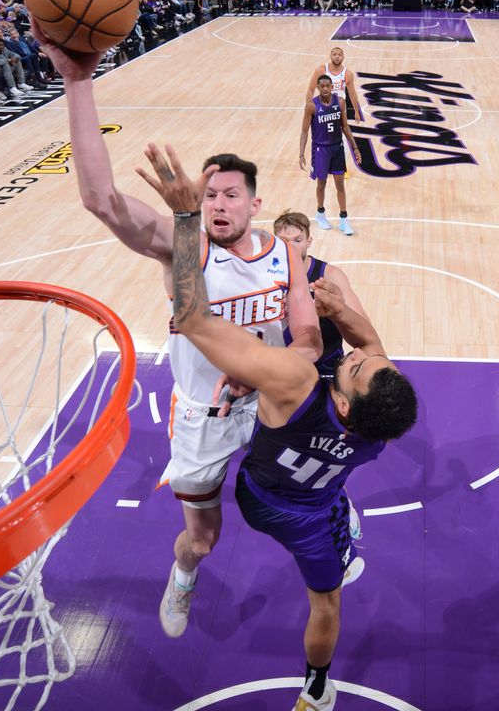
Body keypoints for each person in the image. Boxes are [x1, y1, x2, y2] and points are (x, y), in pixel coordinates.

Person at [30, 18, 322, 638]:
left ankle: (338, 522)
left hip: (270, 403)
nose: (217, 204)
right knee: (203, 539)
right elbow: (101, 199)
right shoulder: (182, 247)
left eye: (229, 195)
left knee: (327, 463)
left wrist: (272, 373)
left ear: (254, 203)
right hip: (203, 417)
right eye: (207, 194)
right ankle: (182, 576)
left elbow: (310, 339)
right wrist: (79, 81)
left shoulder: (283, 252)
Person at [141, 154, 417, 711]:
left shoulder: (291, 383)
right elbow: (374, 350)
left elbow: (193, 320)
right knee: (327, 600)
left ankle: (186, 571)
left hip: (263, 497)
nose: (364, 357)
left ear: (339, 397)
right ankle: (317, 687)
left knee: (204, 537)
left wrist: (187, 220)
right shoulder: (376, 431)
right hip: (317, 504)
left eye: (357, 368)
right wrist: (348, 324)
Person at [273, 210, 368, 376]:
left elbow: (364, 330)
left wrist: (338, 312)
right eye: (284, 241)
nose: (291, 246)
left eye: (297, 240)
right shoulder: (264, 277)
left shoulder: (330, 275)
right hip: (283, 369)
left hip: (327, 369)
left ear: (309, 241)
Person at [300, 75, 360, 236]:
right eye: (322, 86)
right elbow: (305, 131)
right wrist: (301, 153)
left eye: (328, 85)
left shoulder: (340, 102)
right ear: (318, 87)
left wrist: (355, 147)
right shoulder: (311, 106)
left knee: (340, 185)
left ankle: (343, 219)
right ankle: (320, 213)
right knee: (322, 183)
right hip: (320, 149)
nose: (325, 88)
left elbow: (345, 127)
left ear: (332, 87)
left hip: (337, 148)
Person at [305, 47, 363, 123]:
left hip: (340, 108)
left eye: (339, 54)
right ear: (330, 56)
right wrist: (309, 107)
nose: (337, 56)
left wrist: (356, 111)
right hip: (324, 107)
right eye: (334, 54)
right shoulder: (321, 70)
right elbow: (311, 89)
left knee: (340, 133)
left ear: (343, 57)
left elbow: (352, 94)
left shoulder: (347, 74)